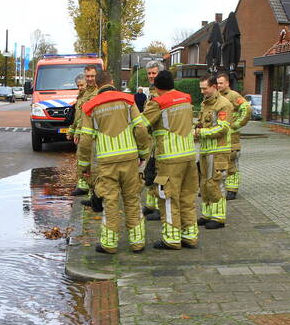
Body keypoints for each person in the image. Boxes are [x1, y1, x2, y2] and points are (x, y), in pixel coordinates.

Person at [77, 70, 151, 254]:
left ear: (97, 85)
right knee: (132, 199)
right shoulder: (128, 100)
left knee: (110, 202)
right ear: (112, 81)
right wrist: (143, 152)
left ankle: (109, 245)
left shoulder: (90, 106)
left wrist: (84, 166)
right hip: (130, 159)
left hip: (107, 162)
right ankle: (138, 242)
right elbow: (141, 128)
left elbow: (85, 140)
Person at [141, 70, 200, 249]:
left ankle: (172, 239)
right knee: (187, 197)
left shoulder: (157, 103)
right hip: (190, 156)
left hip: (169, 160)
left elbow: (142, 127)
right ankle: (190, 235)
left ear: (157, 88)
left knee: (167, 198)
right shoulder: (186, 99)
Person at [195, 75, 233, 229]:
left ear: (214, 87)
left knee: (215, 184)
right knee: (204, 184)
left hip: (218, 151)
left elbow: (223, 127)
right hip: (205, 150)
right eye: (201, 89)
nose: (203, 91)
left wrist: (201, 132)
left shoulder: (224, 105)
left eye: (205, 88)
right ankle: (207, 214)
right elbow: (202, 122)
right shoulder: (205, 104)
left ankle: (218, 218)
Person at [217, 71, 250, 199]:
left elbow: (246, 109)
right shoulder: (217, 96)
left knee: (232, 164)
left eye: (221, 83)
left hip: (233, 137)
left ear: (227, 83)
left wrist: (237, 124)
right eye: (217, 83)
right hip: (221, 138)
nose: (219, 85)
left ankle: (232, 190)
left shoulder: (234, 95)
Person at [71, 66, 100, 200]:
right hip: (84, 134)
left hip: (94, 134)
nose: (89, 79)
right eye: (87, 76)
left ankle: (94, 195)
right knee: (84, 162)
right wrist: (74, 131)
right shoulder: (84, 94)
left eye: (92, 76)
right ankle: (88, 191)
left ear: (96, 76)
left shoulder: (97, 93)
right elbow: (79, 116)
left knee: (94, 165)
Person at [142, 60, 166, 220]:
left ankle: (159, 208)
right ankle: (151, 206)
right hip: (152, 143)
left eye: (154, 73)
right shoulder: (151, 93)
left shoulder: (161, 94)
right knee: (150, 173)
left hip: (161, 142)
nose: (151, 76)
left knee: (159, 175)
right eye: (149, 73)